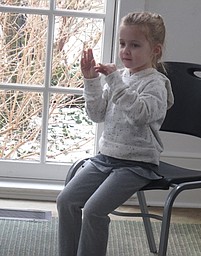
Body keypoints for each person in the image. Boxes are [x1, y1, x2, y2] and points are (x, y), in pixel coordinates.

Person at [56, 11, 174, 256]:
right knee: (66, 201)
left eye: (134, 45)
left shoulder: (156, 84)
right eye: (122, 44)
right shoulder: (118, 77)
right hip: (105, 158)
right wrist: (91, 81)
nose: (125, 51)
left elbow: (140, 115)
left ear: (156, 50)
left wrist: (115, 82)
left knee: (93, 210)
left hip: (137, 164)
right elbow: (98, 114)